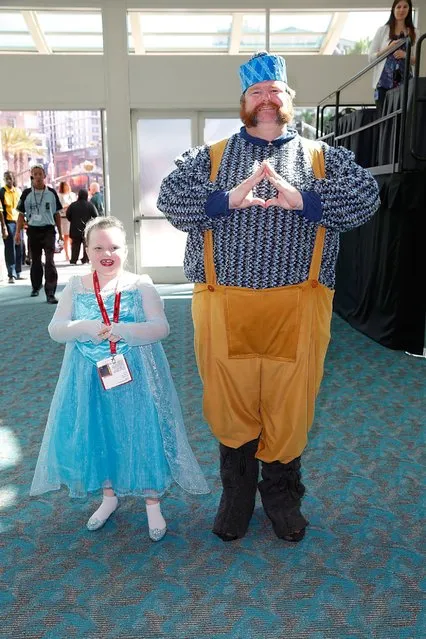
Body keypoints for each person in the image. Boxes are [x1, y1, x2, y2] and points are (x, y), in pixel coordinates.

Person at [157, 51, 380, 543]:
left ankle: (281, 498)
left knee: (289, 404)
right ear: (243, 101)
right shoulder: (207, 158)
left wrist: (301, 199)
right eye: (256, 93)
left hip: (299, 306)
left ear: (288, 100)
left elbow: (367, 199)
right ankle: (236, 495)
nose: (266, 100)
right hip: (222, 304)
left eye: (274, 92)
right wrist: (228, 198)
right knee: (229, 403)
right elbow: (170, 199)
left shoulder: (324, 158)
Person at [30, 216, 208, 539]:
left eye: (113, 247)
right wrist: (84, 328)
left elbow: (160, 327)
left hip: (135, 373)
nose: (106, 253)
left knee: (141, 432)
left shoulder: (140, 284)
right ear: (87, 250)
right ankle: (108, 497)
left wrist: (123, 330)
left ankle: (152, 502)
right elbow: (55, 329)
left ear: (125, 250)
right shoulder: (77, 286)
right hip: (88, 377)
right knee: (101, 432)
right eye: (98, 247)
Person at [15, 165, 63, 304]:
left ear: (44, 176)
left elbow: (57, 214)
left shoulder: (51, 193)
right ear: (32, 176)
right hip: (33, 230)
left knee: (49, 261)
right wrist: (17, 233)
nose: (37, 176)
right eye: (35, 174)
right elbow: (20, 215)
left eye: (40, 174)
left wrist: (60, 234)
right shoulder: (26, 194)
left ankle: (50, 293)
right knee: (35, 261)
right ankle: (36, 286)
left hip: (48, 230)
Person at [368, 0, 418, 112]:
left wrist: (406, 55)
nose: (401, 10)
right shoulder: (383, 30)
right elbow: (371, 57)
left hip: (405, 83)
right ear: (393, 9)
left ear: (409, 10)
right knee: (384, 118)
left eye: (405, 7)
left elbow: (417, 61)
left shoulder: (414, 32)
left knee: (403, 118)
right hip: (384, 83)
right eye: (398, 7)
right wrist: (388, 48)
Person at [0, 171, 23, 284]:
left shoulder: (18, 191)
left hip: (19, 221)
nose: (8, 180)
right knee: (10, 248)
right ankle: (11, 273)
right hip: (8, 222)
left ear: (13, 179)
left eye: (10, 178)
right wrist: (3, 226)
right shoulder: (2, 191)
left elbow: (22, 208)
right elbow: (0, 210)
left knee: (19, 246)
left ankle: (18, 271)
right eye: (6, 178)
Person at [66, 189, 98, 264]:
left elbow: (68, 215)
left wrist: (73, 220)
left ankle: (74, 259)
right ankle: (85, 259)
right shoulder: (90, 205)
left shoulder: (73, 205)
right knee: (86, 245)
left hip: (75, 229)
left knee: (75, 246)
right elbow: (95, 215)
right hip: (86, 229)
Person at [57, 182, 77, 261]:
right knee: (66, 237)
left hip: (72, 218)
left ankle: (73, 254)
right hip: (64, 218)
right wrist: (66, 207)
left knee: (72, 237)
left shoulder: (72, 195)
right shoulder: (60, 196)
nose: (67, 187)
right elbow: (59, 207)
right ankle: (66, 254)